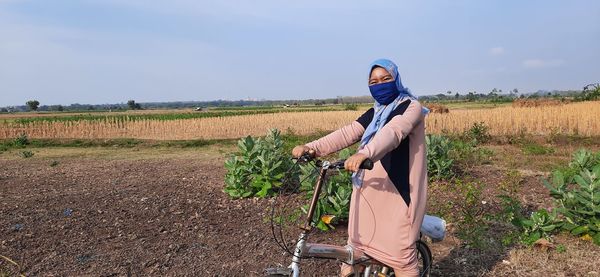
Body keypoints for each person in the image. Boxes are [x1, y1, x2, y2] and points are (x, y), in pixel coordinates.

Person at [292, 59, 429, 277]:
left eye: (386, 79)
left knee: (401, 256)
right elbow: (347, 133)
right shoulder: (374, 113)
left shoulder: (411, 107)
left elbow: (394, 131)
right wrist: (312, 148)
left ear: (397, 79)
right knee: (356, 249)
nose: (380, 84)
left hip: (398, 194)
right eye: (373, 81)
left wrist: (365, 153)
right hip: (367, 191)